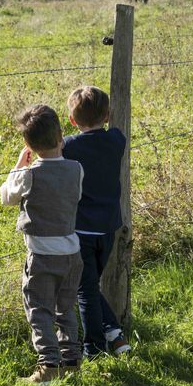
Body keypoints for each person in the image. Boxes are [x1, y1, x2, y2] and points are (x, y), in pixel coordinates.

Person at [0, 104, 84, 385]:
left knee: (38, 310)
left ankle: (49, 366)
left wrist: (18, 166)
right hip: (72, 253)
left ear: (28, 145)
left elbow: (6, 197)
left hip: (41, 255)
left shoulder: (28, 175)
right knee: (66, 307)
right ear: (61, 136)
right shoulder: (76, 169)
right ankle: (71, 360)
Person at [62, 86, 132, 358]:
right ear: (108, 114)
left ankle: (93, 347)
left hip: (80, 230)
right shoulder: (116, 140)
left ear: (71, 120)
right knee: (89, 285)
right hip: (109, 228)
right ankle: (113, 333)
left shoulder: (69, 146)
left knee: (85, 290)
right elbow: (112, 131)